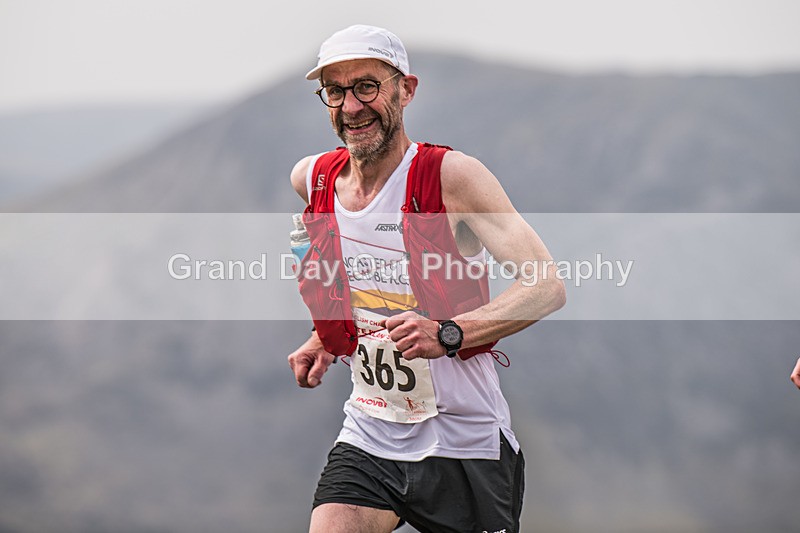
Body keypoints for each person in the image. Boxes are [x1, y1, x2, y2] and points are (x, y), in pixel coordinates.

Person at [287, 24, 566, 533]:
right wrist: (324, 336)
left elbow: (546, 286)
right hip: (370, 432)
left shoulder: (451, 177)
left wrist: (448, 333)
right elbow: (360, 272)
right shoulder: (315, 179)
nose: (351, 106)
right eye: (336, 90)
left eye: (367, 86)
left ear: (405, 90)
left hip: (464, 443)